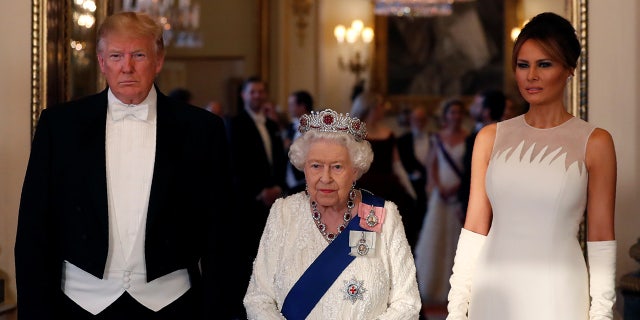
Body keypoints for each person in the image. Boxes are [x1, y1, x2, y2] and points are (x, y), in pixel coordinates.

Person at [14, 11, 232, 319]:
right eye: (116, 55)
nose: (127, 67)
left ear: (158, 61)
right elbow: (34, 229)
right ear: (102, 62)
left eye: (139, 55)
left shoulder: (202, 129)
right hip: (79, 303)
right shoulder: (60, 126)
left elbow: (220, 232)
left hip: (172, 303)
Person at [447, 12, 617, 320]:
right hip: (493, 291)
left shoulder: (596, 142)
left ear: (569, 69)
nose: (531, 76)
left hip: (558, 292)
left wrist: (601, 313)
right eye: (523, 65)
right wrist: (457, 309)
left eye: (544, 64)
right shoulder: (490, 138)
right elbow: (474, 229)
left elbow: (601, 237)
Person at [243, 108, 421, 318]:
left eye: (337, 167)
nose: (325, 178)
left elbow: (407, 302)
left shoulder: (383, 215)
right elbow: (258, 298)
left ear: (355, 170)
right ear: (304, 168)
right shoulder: (283, 213)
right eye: (316, 165)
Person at [226, 76, 288, 319]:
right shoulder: (235, 124)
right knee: (248, 260)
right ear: (243, 95)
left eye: (261, 91)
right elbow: (234, 165)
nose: (258, 96)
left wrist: (277, 187)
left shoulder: (272, 126)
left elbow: (280, 162)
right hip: (248, 204)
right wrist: (258, 192)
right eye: (253, 92)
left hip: (272, 203)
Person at [414, 98, 469, 308]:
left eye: (458, 112)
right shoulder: (437, 138)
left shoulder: (468, 138)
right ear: (445, 116)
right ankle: (434, 286)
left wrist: (457, 188)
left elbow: (468, 169)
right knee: (436, 239)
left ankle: (457, 290)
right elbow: (432, 165)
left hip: (459, 196)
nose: (455, 116)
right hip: (440, 196)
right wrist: (438, 187)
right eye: (451, 112)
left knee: (457, 241)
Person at [350, 92, 419, 250]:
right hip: (364, 190)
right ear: (370, 107)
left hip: (389, 190)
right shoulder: (353, 135)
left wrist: (410, 191)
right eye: (381, 106)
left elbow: (396, 165)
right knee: (364, 242)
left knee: (389, 241)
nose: (383, 110)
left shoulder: (388, 133)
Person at [458, 89, 505, 216]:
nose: (471, 108)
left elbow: (470, 173)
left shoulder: (477, 138)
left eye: (477, 105)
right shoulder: (508, 133)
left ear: (486, 111)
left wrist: (463, 203)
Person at [397, 105, 432, 244]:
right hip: (409, 190)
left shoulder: (434, 139)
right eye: (416, 119)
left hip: (430, 187)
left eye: (422, 119)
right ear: (410, 120)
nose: (419, 122)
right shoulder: (402, 141)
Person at [285, 90, 314, 194]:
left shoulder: (314, 128)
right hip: (289, 181)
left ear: (302, 106)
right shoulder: (292, 126)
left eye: (292, 105)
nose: (289, 108)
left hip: (305, 180)